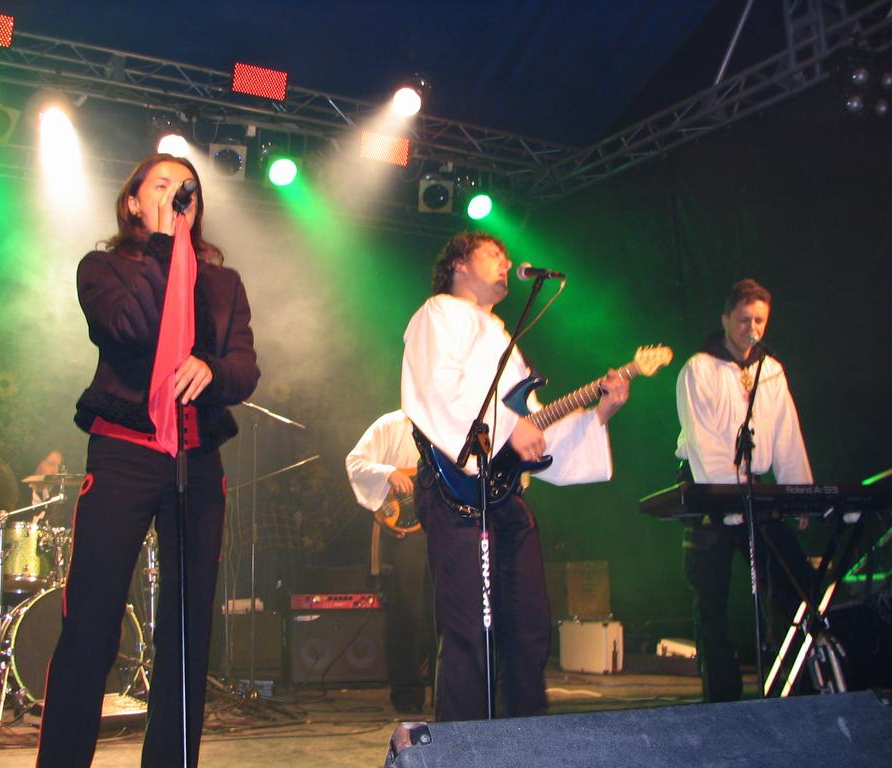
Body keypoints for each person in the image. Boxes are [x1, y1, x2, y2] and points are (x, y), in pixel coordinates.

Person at [37, 153, 259, 767]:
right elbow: (128, 329)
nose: (176, 193)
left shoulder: (223, 283)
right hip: (124, 454)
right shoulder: (102, 268)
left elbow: (245, 367)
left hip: (196, 459)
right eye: (160, 184)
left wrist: (212, 369)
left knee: (188, 631)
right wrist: (164, 247)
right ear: (133, 202)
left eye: (187, 188)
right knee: (92, 619)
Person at [401, 231, 629, 722]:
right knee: (468, 633)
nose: (506, 265)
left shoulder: (503, 336)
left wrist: (599, 414)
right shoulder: (437, 314)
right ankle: (463, 748)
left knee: (528, 629)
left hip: (505, 495)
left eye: (507, 258)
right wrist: (508, 429)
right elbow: (436, 392)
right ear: (459, 265)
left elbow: (533, 424)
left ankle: (527, 741)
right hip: (457, 492)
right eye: (493, 255)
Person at [676, 278, 813, 702]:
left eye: (759, 321)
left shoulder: (771, 371)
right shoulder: (698, 368)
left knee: (795, 587)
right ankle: (722, 701)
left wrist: (800, 494)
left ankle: (800, 687)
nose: (751, 328)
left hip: (756, 494)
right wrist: (730, 491)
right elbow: (702, 439)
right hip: (710, 494)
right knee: (712, 603)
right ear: (725, 319)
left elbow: (787, 434)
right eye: (743, 319)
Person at [345, 409, 435, 714]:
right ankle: (407, 693)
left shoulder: (449, 421)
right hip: (407, 527)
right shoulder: (391, 424)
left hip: (444, 523)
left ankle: (447, 690)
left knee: (446, 608)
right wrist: (388, 473)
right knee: (407, 609)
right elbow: (355, 462)